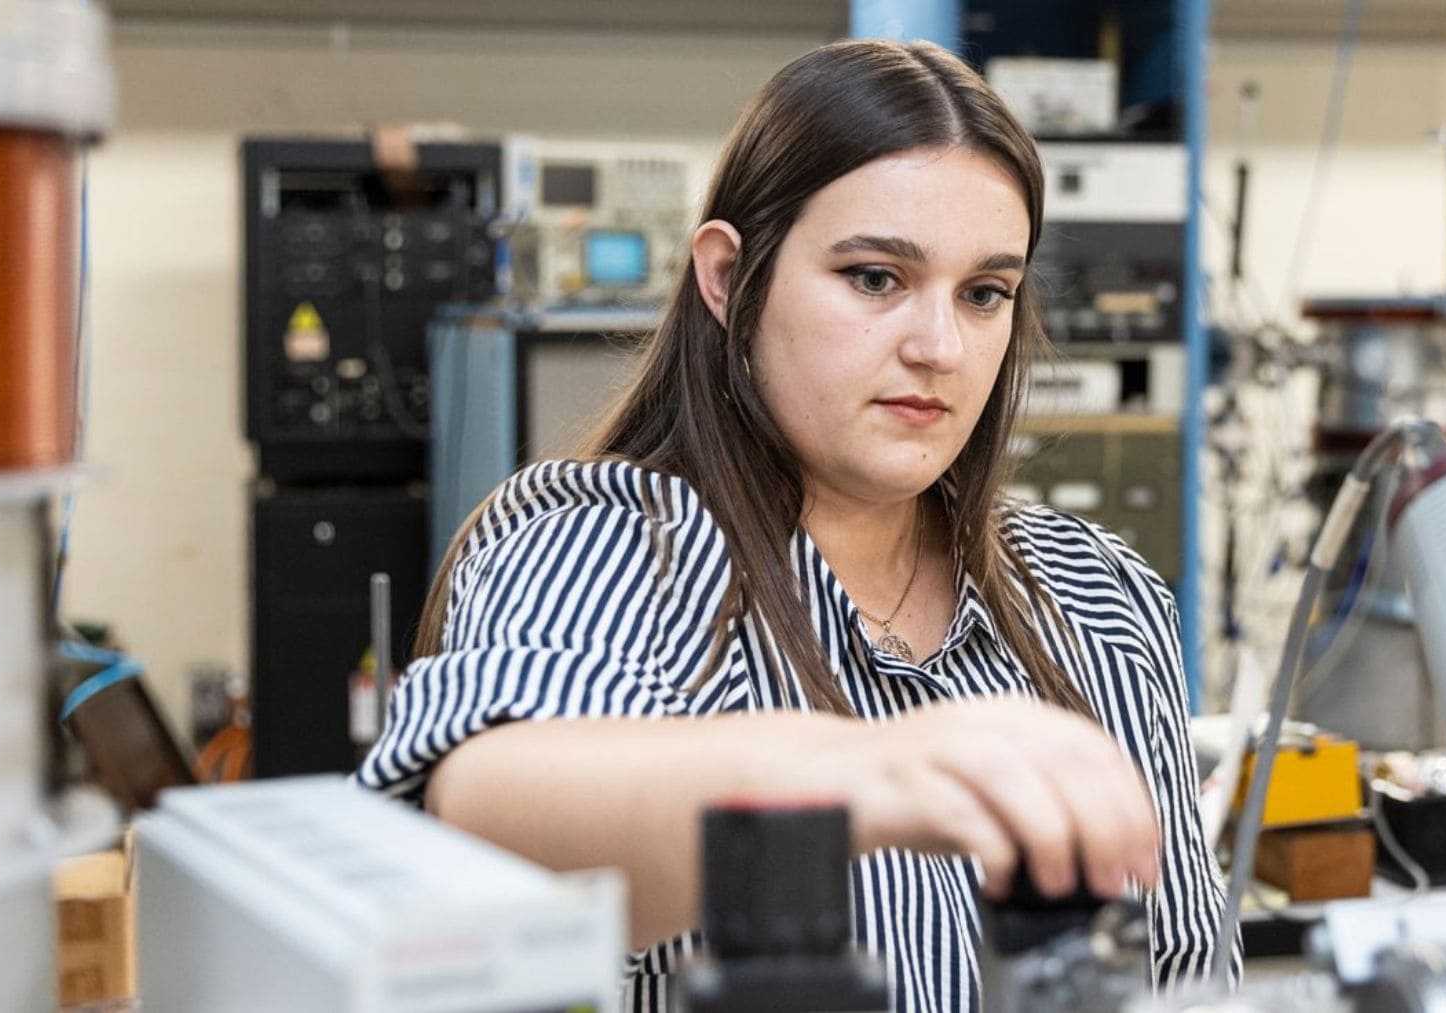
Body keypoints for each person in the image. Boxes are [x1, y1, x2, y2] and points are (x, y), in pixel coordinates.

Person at [359, 37, 1232, 1011]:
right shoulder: (609, 547)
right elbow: (489, 819)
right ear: (730, 278)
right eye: (873, 277)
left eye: (985, 293)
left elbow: (1188, 971)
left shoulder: (1091, 594)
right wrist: (866, 770)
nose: (939, 346)